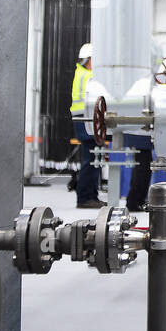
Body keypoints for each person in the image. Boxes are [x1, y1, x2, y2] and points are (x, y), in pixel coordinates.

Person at [70, 43, 105, 209]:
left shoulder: (82, 73)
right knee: (91, 160)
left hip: (85, 119)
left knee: (93, 159)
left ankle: (91, 196)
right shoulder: (88, 77)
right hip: (86, 120)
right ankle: (85, 198)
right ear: (90, 61)